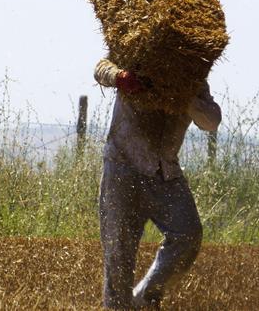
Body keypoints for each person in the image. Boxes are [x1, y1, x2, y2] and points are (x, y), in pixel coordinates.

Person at [94, 58, 221, 309]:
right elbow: (101, 69)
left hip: (165, 172)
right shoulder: (137, 52)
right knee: (118, 252)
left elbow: (211, 121)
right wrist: (121, 77)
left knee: (188, 235)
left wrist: (185, 97)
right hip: (123, 167)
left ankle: (145, 297)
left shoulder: (192, 78)